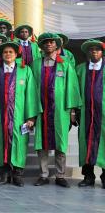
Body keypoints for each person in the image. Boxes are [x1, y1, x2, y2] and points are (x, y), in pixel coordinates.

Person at [0, 41, 41, 187]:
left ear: (16, 54)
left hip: (18, 117)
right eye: (5, 52)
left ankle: (17, 174)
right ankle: (4, 174)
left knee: (19, 143)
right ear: (1, 55)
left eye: (11, 52)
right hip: (0, 117)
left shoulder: (25, 71)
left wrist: (31, 117)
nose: (8, 54)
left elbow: (30, 94)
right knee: (0, 143)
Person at [30, 33, 81, 188]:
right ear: (42, 46)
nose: (49, 45)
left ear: (57, 45)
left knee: (60, 143)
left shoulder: (65, 63)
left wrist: (72, 110)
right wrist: (31, 110)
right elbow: (31, 88)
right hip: (41, 109)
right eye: (45, 43)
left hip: (60, 110)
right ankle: (44, 174)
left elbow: (72, 87)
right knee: (42, 144)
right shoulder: (36, 64)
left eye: (52, 42)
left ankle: (60, 175)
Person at [76, 39, 105, 188]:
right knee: (86, 143)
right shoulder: (80, 69)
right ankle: (88, 176)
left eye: (97, 49)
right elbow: (75, 92)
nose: (94, 51)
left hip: (103, 115)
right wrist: (74, 110)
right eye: (91, 49)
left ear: (102, 52)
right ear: (88, 52)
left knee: (104, 144)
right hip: (85, 114)